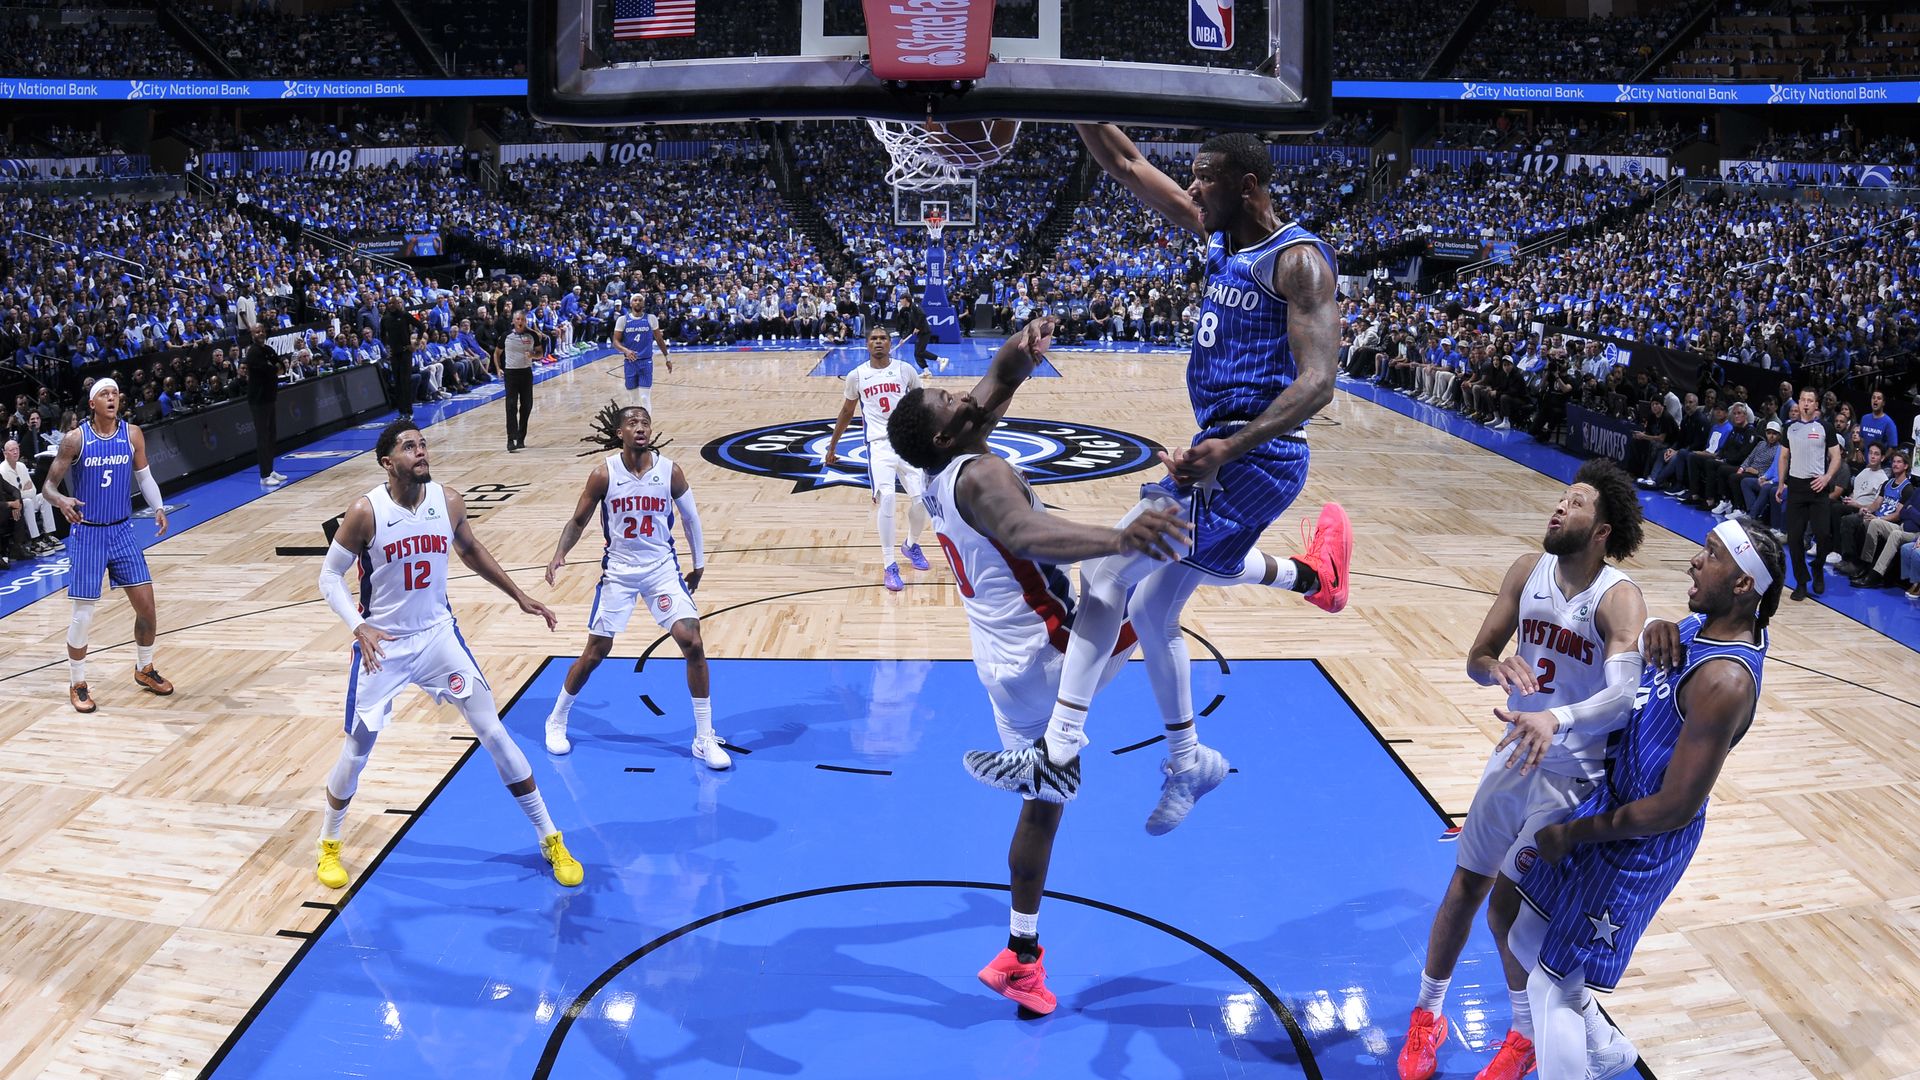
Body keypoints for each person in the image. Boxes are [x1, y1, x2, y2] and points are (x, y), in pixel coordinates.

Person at [961, 128, 1352, 831]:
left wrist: (1229, 448)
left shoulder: (1297, 261)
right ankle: (1189, 759)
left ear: (1249, 187)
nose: (1193, 188)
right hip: (1223, 452)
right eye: (1194, 178)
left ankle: (1059, 747)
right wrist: (1065, 98)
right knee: (1151, 613)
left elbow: (1319, 383)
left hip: (1258, 460)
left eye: (1206, 178)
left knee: (1108, 577)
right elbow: (1126, 161)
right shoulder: (1217, 239)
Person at [886, 316, 1194, 1012]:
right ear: (946, 434)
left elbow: (995, 382)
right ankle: (1307, 577)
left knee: (1044, 804)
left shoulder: (938, 461)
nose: (965, 397)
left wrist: (1023, 349)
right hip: (1051, 653)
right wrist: (1121, 533)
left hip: (999, 669)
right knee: (1163, 563)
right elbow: (1027, 532)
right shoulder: (983, 473)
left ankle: (1022, 957)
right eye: (951, 402)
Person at [1398, 459, 1648, 1080]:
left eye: (1578, 503)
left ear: (1601, 532)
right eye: (1562, 498)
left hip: (1574, 779)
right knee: (1465, 888)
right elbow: (1477, 658)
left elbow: (1622, 697)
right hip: (1514, 755)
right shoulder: (1525, 570)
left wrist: (1556, 719)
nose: (1560, 507)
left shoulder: (1619, 597)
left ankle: (1523, 1034)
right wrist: (1497, 667)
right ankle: (1427, 1014)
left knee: (1506, 911)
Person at [1508, 520, 1782, 1080]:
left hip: (1639, 838)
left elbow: (1673, 809)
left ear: (1742, 586)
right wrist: (1661, 625)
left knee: (1551, 983)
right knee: (1523, 933)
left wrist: (1572, 833)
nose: (1693, 562)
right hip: (1612, 803)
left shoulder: (1726, 682)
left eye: (1710, 555)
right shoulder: (1710, 624)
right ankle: (1605, 1049)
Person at [312, 419, 581, 890]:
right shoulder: (364, 512)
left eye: (423, 444)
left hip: (438, 636)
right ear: (386, 462)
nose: (421, 451)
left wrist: (518, 595)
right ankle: (328, 843)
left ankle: (549, 835)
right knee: (357, 750)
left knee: (493, 731)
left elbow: (471, 549)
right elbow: (328, 578)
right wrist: (359, 626)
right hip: (386, 645)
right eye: (409, 446)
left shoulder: (448, 500)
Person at [542, 402, 726, 768]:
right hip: (620, 573)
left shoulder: (670, 471)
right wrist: (559, 553)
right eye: (631, 423)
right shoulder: (603, 474)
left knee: (692, 640)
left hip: (661, 569)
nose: (640, 427)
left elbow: (691, 520)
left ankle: (704, 738)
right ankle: (557, 718)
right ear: (619, 433)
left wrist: (699, 564)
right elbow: (578, 520)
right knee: (596, 652)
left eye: (644, 422)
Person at [40, 379, 172, 714]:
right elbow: (48, 487)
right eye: (104, 394)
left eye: (114, 393)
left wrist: (158, 506)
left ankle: (144, 668)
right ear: (92, 404)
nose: (112, 398)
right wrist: (62, 501)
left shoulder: (132, 434)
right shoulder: (76, 439)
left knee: (147, 608)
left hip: (122, 531)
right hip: (88, 534)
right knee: (83, 616)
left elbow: (144, 477)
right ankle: (77, 682)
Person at [825, 326, 930, 592]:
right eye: (874, 338)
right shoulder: (857, 375)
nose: (879, 342)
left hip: (907, 442)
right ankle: (889, 565)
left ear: (890, 343)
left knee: (922, 502)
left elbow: (922, 404)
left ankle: (910, 545)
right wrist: (832, 447)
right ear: (867, 344)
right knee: (888, 498)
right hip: (879, 445)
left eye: (883, 338)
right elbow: (846, 412)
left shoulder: (906, 370)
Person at [1775, 387, 1842, 600]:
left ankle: (1818, 566)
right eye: (1803, 399)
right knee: (1794, 539)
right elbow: (1784, 457)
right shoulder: (1790, 428)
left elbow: (1836, 457)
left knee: (1823, 535)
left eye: (1810, 400)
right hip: (1796, 487)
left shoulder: (1825, 427)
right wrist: (1781, 484)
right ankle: (1801, 582)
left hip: (1818, 488)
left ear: (1816, 404)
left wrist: (1826, 477)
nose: (1805, 403)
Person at [499, 310, 548, 453]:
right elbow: (497, 353)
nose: (520, 322)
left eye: (523, 319)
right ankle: (510, 439)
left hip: (526, 372)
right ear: (513, 321)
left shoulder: (533, 335)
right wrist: (498, 368)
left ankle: (521, 437)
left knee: (527, 405)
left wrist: (533, 355)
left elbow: (540, 354)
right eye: (518, 319)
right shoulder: (506, 336)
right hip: (510, 373)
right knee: (511, 405)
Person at [612, 294, 672, 412]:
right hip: (630, 363)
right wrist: (626, 351)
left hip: (646, 362)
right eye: (635, 300)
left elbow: (659, 340)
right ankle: (637, 427)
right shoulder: (623, 320)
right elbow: (615, 341)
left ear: (643, 304)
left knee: (644, 398)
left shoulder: (651, 318)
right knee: (634, 400)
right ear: (631, 303)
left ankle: (647, 426)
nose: (638, 302)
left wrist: (667, 358)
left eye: (640, 300)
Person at [245, 324, 288, 487]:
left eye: (262, 330)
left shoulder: (268, 349)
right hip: (259, 400)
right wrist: (273, 368)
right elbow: (268, 370)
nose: (261, 333)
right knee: (263, 437)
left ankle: (270, 470)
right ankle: (264, 475)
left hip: (270, 398)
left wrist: (274, 367)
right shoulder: (253, 352)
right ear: (252, 334)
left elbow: (281, 366)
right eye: (257, 331)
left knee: (271, 436)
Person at [2, 438, 59, 555]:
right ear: (5, 453)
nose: (15, 452)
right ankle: (35, 540)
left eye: (17, 449)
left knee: (43, 496)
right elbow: (11, 495)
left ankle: (48, 535)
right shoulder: (2, 470)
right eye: (12, 450)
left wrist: (24, 490)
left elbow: (33, 489)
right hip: (17, 506)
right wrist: (24, 490)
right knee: (26, 501)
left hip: (28, 500)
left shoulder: (22, 466)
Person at [379, 299, 424, 421]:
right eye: (390, 303)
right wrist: (386, 347)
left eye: (394, 303)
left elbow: (421, 327)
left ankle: (409, 412)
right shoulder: (385, 319)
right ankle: (401, 412)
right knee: (397, 383)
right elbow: (382, 335)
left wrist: (416, 343)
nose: (392, 305)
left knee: (405, 382)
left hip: (405, 352)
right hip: (394, 354)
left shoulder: (404, 315)